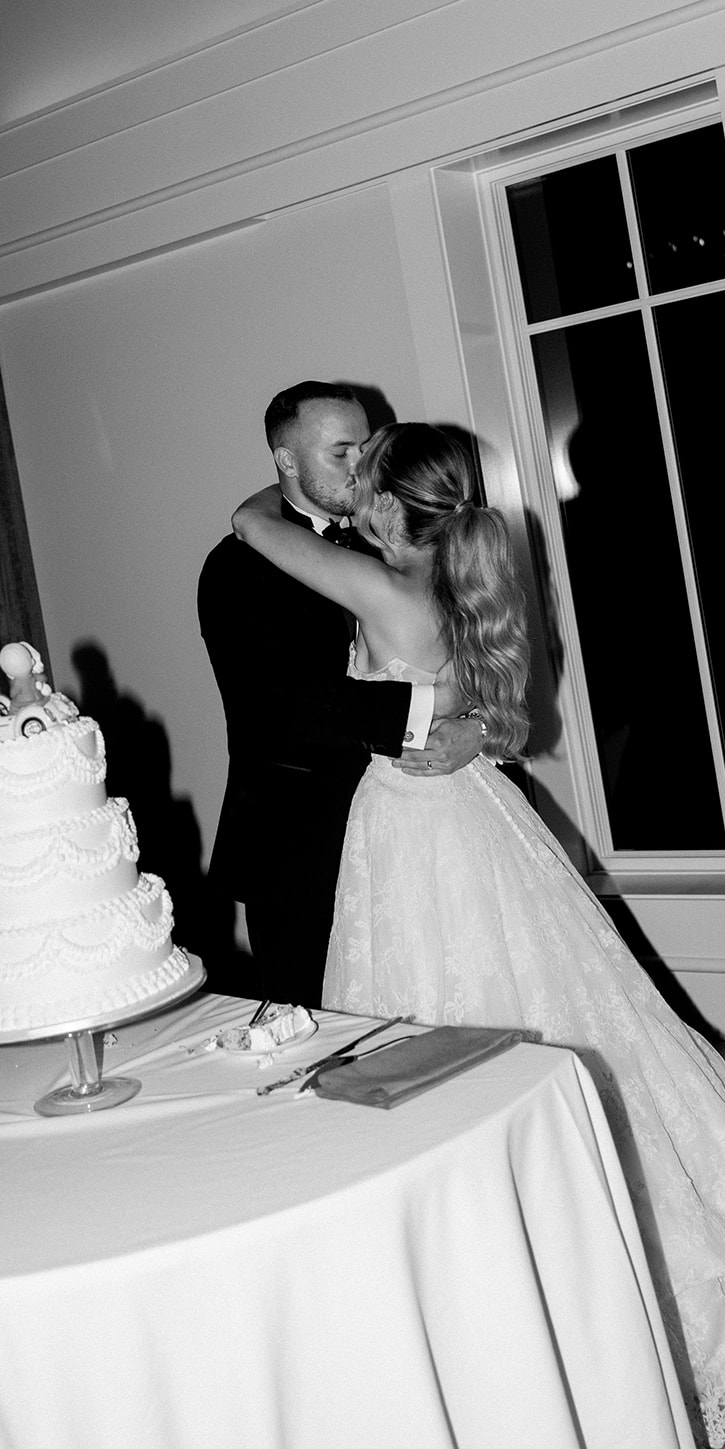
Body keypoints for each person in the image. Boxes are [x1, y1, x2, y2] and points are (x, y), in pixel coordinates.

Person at [231, 421, 725, 1449]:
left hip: (414, 836)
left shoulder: (382, 588)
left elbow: (252, 524)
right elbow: (467, 704)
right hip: (475, 812)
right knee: (552, 1007)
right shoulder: (466, 573)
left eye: (362, 482)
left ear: (389, 507)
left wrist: (306, 490)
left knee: (431, 1029)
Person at [198, 383, 482, 1008]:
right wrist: (431, 710)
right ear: (287, 462)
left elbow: (469, 647)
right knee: (316, 1029)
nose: (361, 469)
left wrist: (476, 727)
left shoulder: (386, 540)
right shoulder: (239, 568)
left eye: (366, 448)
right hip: (299, 841)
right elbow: (283, 707)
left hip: (409, 828)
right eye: (340, 452)